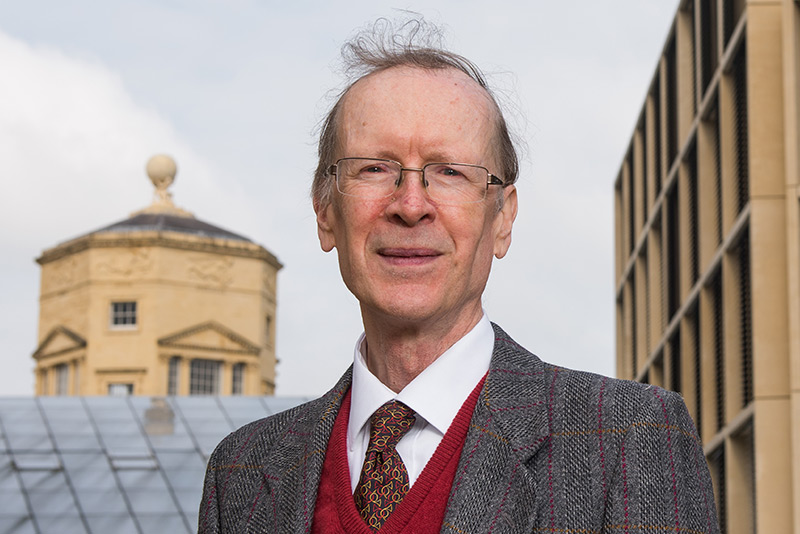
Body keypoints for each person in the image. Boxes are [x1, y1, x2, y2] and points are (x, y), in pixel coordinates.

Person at [199, 19, 720, 534]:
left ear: (502, 218)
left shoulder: (629, 440)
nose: (409, 205)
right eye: (374, 168)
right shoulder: (240, 473)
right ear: (325, 212)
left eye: (449, 171)